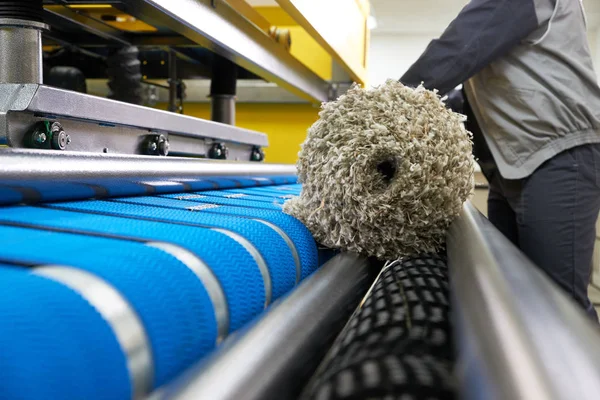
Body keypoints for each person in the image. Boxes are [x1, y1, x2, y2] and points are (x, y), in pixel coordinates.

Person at [400, 0, 600, 319]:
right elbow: (469, 91)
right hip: (512, 165)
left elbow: (458, 50)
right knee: (509, 291)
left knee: (558, 307)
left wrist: (388, 105)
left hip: (556, 155)